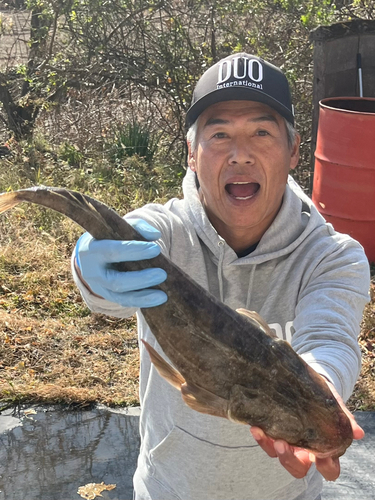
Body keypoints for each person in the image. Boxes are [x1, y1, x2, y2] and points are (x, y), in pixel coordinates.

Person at [72, 53, 370, 500]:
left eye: (261, 132)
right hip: (168, 489)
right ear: (192, 154)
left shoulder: (333, 256)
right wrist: (91, 268)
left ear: (293, 151)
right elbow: (106, 297)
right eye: (219, 134)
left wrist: (320, 386)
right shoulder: (163, 236)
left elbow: (332, 339)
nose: (241, 154)